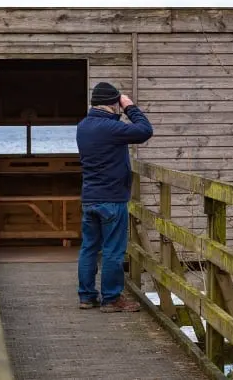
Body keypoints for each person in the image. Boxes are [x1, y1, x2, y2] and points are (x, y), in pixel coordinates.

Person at [75, 82, 153, 312]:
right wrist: (130, 107)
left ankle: (86, 297)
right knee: (112, 250)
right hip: (112, 198)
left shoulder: (83, 126)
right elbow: (145, 131)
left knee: (89, 247)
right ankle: (111, 299)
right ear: (113, 103)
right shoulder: (111, 128)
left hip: (90, 197)